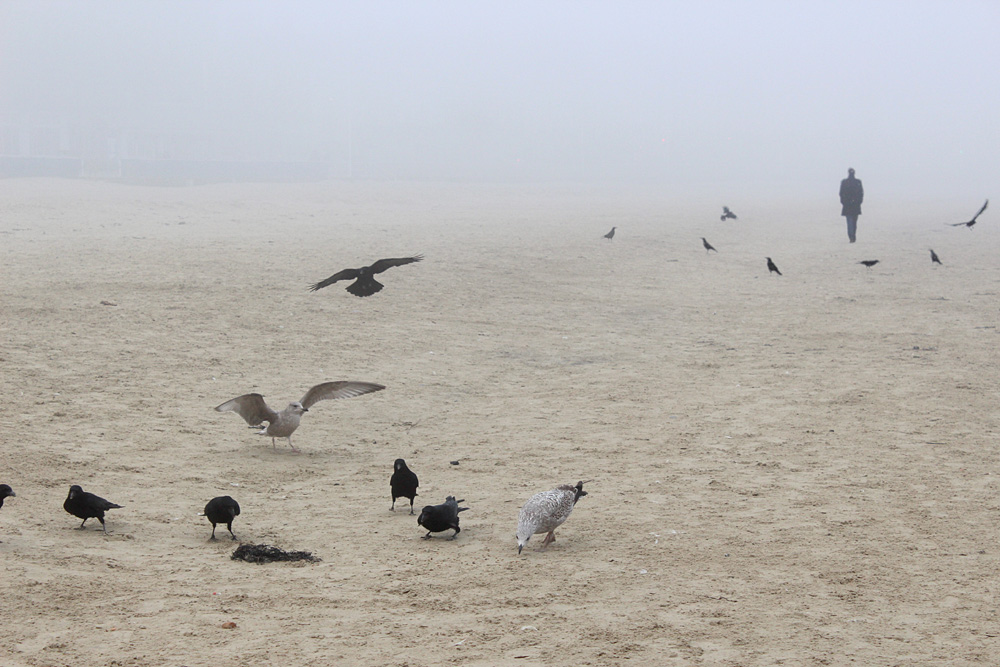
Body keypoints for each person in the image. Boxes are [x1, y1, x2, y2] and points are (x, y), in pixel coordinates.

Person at [839, 168, 864, 243]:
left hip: (850, 205)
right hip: (852, 205)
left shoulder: (846, 182)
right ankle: (852, 236)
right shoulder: (856, 182)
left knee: (851, 222)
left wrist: (844, 202)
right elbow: (861, 193)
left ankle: (852, 236)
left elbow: (841, 193)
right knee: (852, 221)